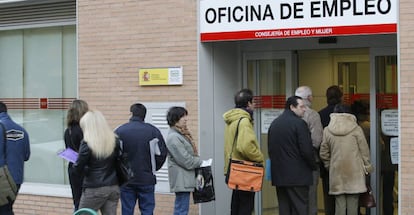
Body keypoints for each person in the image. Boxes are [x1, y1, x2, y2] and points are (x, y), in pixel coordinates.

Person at [319, 104, 373, 215]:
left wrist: (330, 165)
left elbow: (323, 153)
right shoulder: (356, 129)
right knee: (353, 203)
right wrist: (367, 167)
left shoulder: (327, 130)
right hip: (354, 173)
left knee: (339, 204)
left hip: (337, 172)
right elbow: (364, 150)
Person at [115, 103, 168, 215]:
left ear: (131, 113)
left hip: (126, 179)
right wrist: (153, 168)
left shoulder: (120, 131)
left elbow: (113, 155)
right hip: (146, 178)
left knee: (127, 211)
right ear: (144, 115)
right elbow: (162, 153)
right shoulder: (153, 131)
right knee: (147, 211)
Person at [268, 96, 317, 215]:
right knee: (300, 209)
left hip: (279, 176)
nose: (304, 109)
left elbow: (271, 149)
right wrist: (313, 165)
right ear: (292, 107)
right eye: (301, 106)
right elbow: (306, 150)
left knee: (284, 209)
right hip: (298, 177)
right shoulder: (300, 124)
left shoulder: (274, 124)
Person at [223, 89, 264, 215]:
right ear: (248, 103)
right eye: (253, 102)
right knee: (246, 206)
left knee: (236, 204)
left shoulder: (233, 119)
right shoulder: (244, 121)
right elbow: (245, 147)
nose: (255, 105)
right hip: (245, 171)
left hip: (234, 169)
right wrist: (259, 156)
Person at [73, 110, 120, 215]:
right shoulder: (114, 140)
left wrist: (77, 165)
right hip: (113, 186)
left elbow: (78, 168)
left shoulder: (87, 143)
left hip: (94, 188)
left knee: (83, 214)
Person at [165, 106, 204, 215]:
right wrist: (200, 162)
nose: (186, 119)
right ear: (175, 119)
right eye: (182, 116)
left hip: (185, 179)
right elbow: (186, 160)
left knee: (182, 209)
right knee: (181, 210)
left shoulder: (180, 134)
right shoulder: (174, 137)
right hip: (181, 179)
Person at [295, 86, 323, 215]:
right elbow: (316, 141)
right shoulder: (313, 115)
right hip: (310, 163)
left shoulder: (289, 115)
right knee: (311, 199)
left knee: (296, 199)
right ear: (309, 98)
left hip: (293, 164)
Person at [0, 101, 31, 215]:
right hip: (17, 179)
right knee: (7, 210)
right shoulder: (22, 130)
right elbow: (26, 156)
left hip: (2, 180)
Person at [318, 85, 343, 215]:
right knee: (344, 196)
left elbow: (319, 141)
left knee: (328, 196)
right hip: (344, 161)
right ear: (341, 97)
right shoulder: (347, 114)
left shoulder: (320, 115)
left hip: (326, 163)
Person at [63, 99, 89, 211]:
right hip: (85, 168)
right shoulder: (84, 130)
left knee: (77, 202)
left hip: (73, 167)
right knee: (87, 203)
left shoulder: (67, 131)